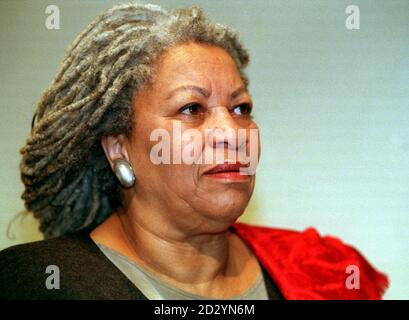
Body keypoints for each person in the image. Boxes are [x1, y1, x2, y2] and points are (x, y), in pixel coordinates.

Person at [0, 3, 388, 300]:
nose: (232, 133)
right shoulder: (36, 281)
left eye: (241, 109)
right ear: (119, 148)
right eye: (192, 109)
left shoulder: (323, 272)